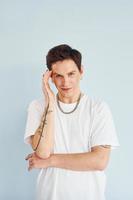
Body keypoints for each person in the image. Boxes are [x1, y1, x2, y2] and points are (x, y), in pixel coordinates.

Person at [24, 44, 119, 200]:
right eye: (58, 76)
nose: (65, 82)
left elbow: (99, 161)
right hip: (48, 195)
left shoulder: (98, 108)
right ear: (50, 78)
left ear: (81, 72)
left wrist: (50, 161)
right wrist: (49, 102)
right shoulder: (37, 107)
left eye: (71, 74)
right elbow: (42, 152)